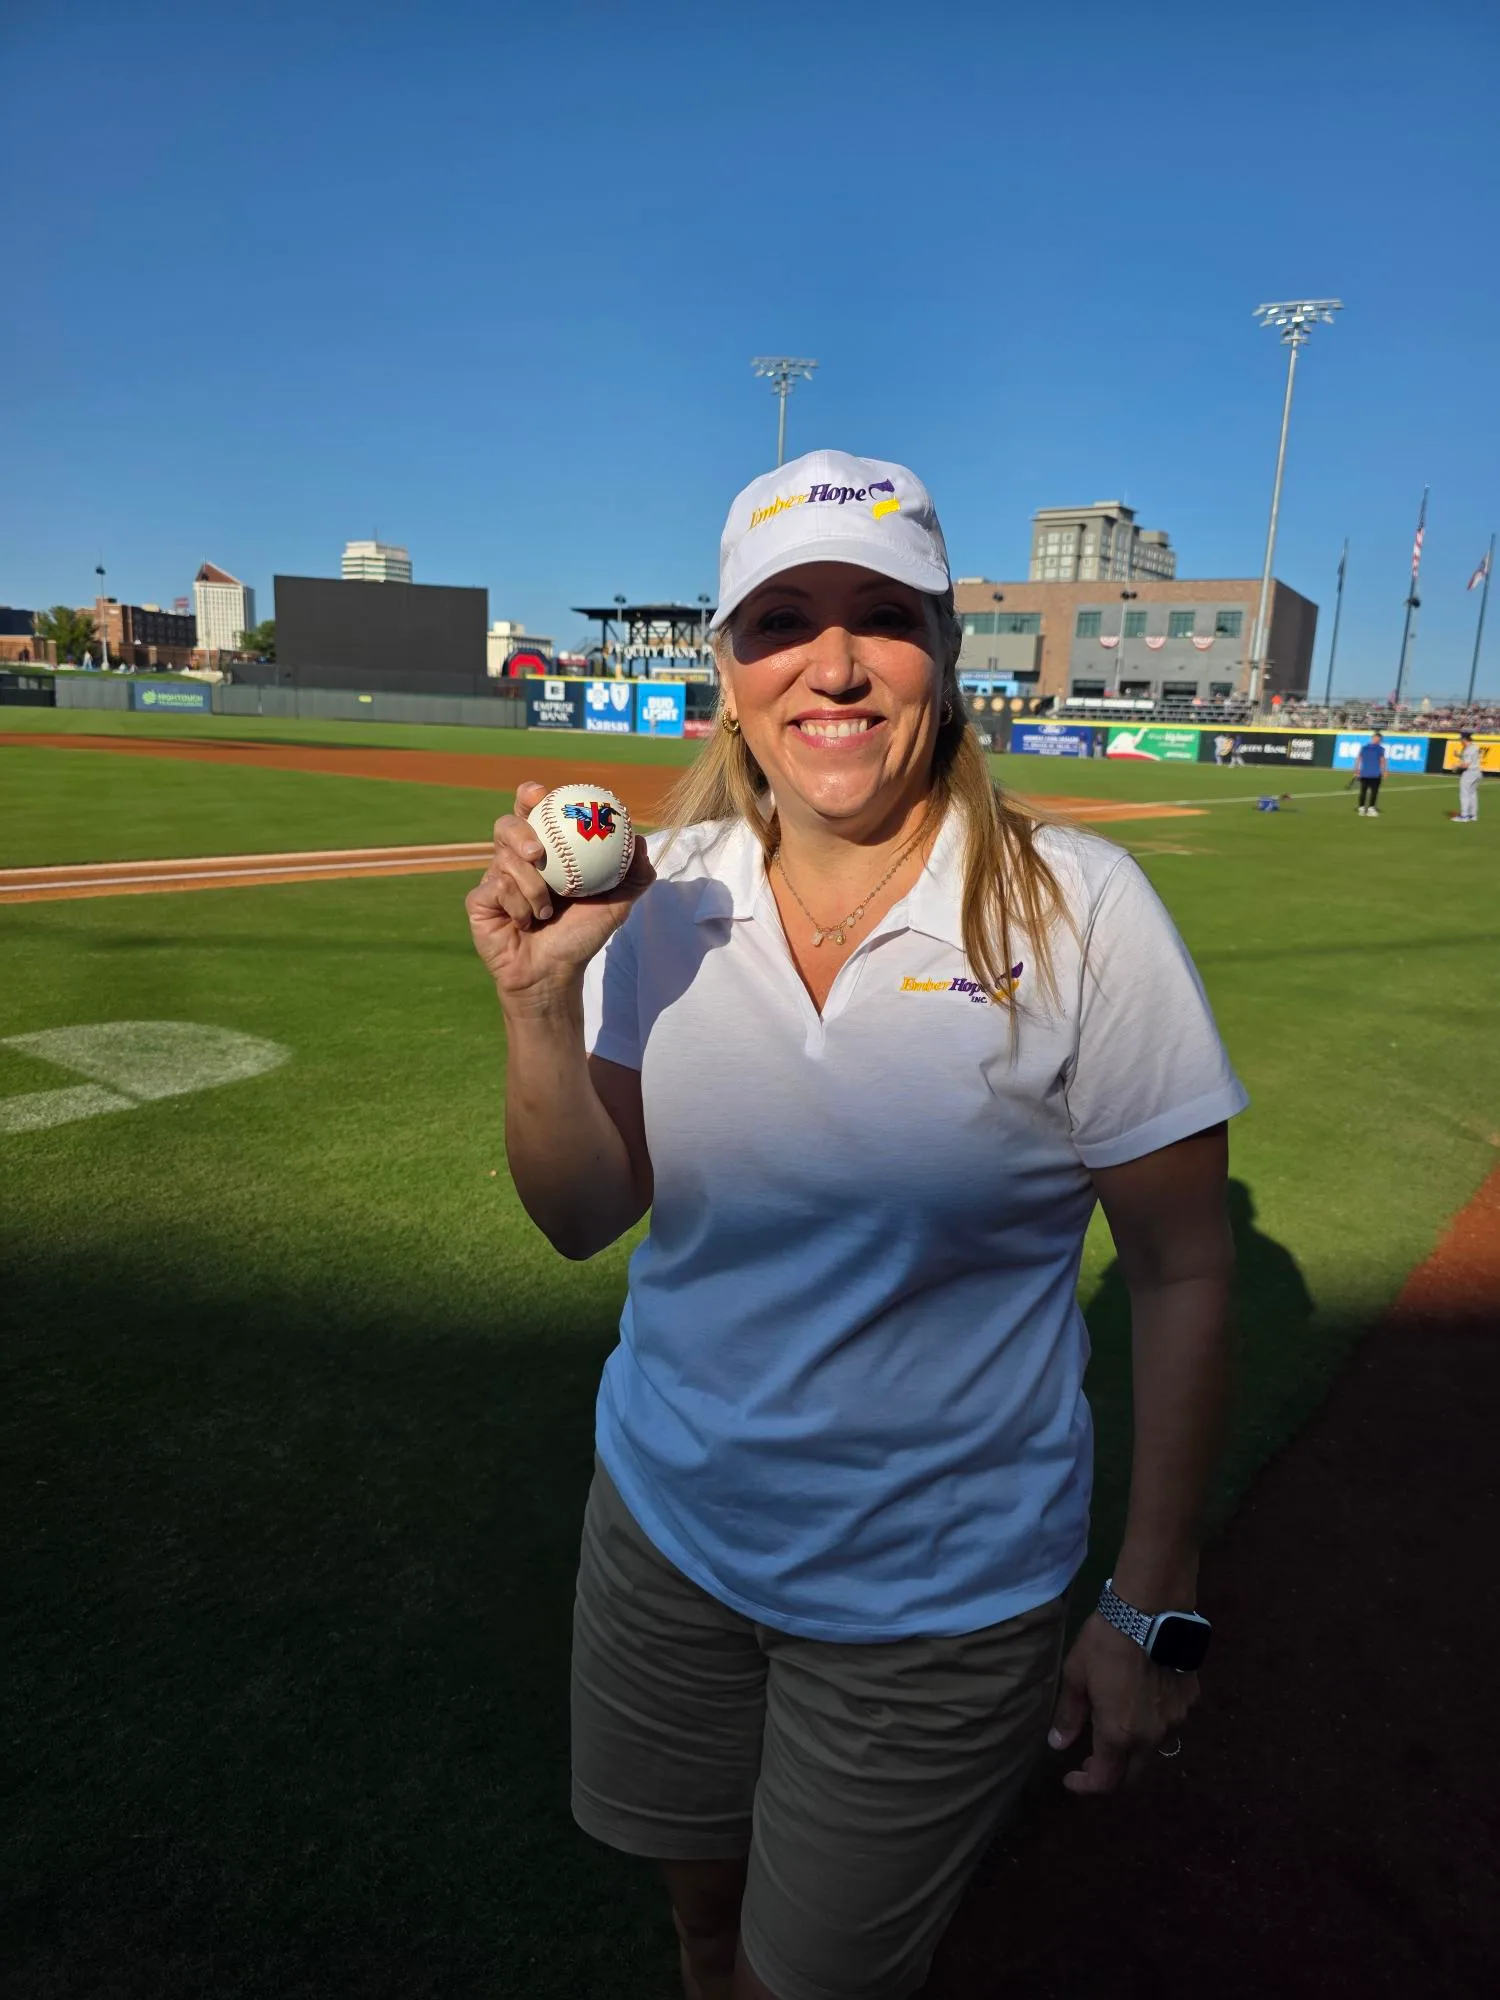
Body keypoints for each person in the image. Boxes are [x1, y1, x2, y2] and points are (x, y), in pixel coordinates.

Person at [466, 450, 1248, 2000]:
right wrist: (541, 1011)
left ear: (945, 652)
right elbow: (578, 1222)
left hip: (934, 1605)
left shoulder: (1079, 910)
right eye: (783, 622)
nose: (832, 664)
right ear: (731, 669)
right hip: (667, 1536)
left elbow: (1182, 1263)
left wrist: (1152, 1598)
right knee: (700, 1924)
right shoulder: (661, 896)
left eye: (881, 616)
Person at [1355, 729, 1387, 815]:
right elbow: (1359, 759)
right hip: (1371, 774)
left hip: (1371, 774)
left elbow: (1359, 759)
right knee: (1367, 792)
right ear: (1373, 738)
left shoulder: (1365, 748)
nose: (1377, 740)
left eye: (1378, 739)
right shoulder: (1379, 749)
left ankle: (1366, 808)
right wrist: (1357, 770)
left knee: (1369, 792)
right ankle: (1367, 808)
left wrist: (1357, 770)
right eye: (1376, 738)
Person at [1456, 729, 1482, 821]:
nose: (1460, 740)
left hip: (1469, 773)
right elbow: (1471, 758)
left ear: (1464, 739)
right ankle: (1473, 815)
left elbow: (1466, 764)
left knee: (1464, 794)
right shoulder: (1475, 747)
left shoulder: (1467, 750)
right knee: (1473, 794)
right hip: (1478, 772)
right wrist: (1458, 755)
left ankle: (1464, 816)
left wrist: (1456, 765)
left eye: (1461, 739)